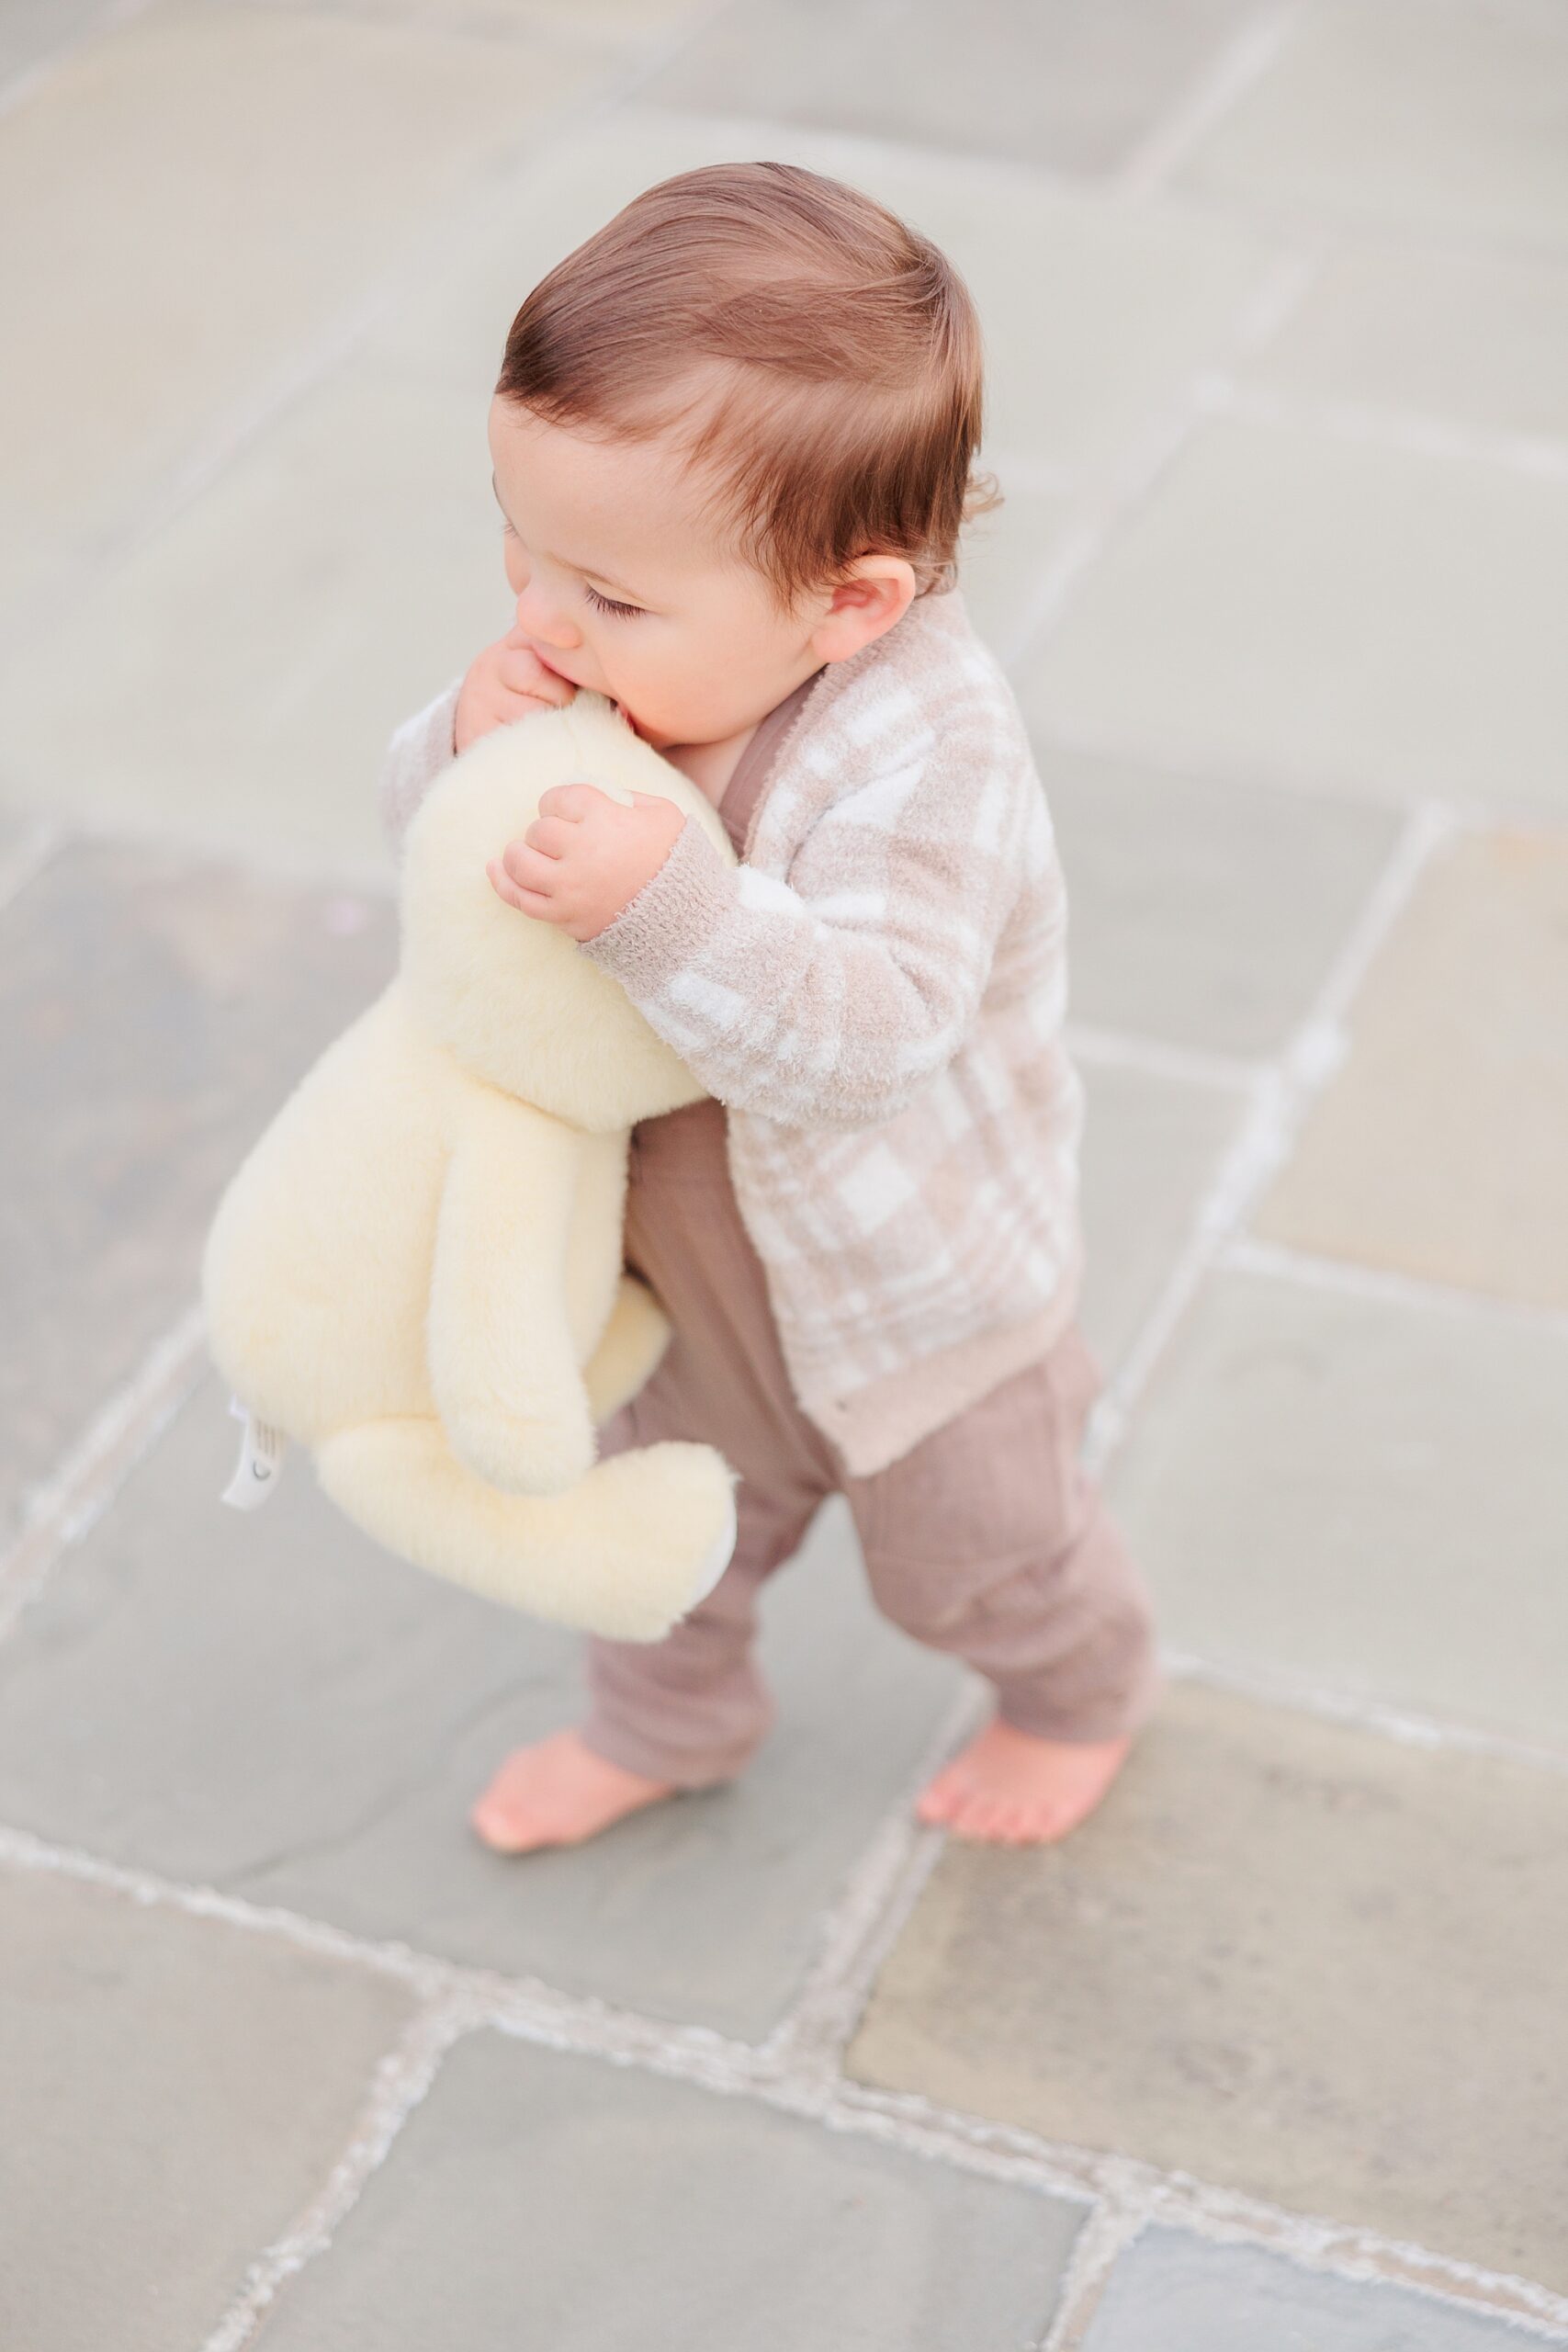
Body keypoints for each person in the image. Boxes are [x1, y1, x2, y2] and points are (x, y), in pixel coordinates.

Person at [378, 161, 1158, 1852]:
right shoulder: (623, 648)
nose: (543, 622)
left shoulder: (925, 744)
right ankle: (673, 1722)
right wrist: (464, 752)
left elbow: (873, 1038)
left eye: (610, 598)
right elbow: (444, 874)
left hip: (912, 1300)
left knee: (984, 1559)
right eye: (523, 553)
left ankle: (1080, 1689)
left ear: (852, 602)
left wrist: (662, 902)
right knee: (646, 1541)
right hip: (673, 1269)